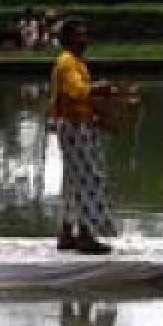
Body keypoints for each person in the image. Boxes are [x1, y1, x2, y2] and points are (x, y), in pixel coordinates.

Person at [49, 20, 117, 254]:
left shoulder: (76, 62)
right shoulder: (67, 62)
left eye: (85, 35)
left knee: (72, 179)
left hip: (77, 124)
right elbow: (77, 91)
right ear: (67, 40)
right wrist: (101, 88)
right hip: (75, 126)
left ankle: (67, 232)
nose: (85, 40)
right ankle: (86, 236)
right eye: (79, 36)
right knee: (88, 177)